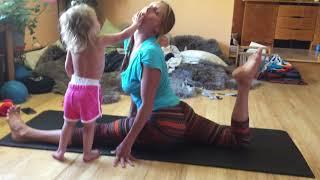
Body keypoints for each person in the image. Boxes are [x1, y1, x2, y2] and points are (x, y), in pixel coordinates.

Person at [5, 0, 263, 168]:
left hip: (161, 123)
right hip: (180, 113)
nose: (147, 9)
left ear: (157, 27)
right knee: (236, 141)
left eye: (155, 11)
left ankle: (26, 133)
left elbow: (146, 106)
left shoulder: (150, 52)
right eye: (150, 4)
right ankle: (242, 85)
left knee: (90, 133)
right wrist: (125, 126)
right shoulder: (132, 44)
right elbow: (135, 96)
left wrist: (127, 140)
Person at [51, 4, 144, 162]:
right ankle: (87, 154)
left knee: (68, 124)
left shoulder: (73, 45)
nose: (98, 21)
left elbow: (68, 68)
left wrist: (75, 83)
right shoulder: (100, 40)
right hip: (89, 91)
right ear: (91, 25)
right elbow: (122, 35)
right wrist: (136, 24)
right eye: (95, 19)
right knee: (89, 126)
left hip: (72, 89)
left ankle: (60, 151)